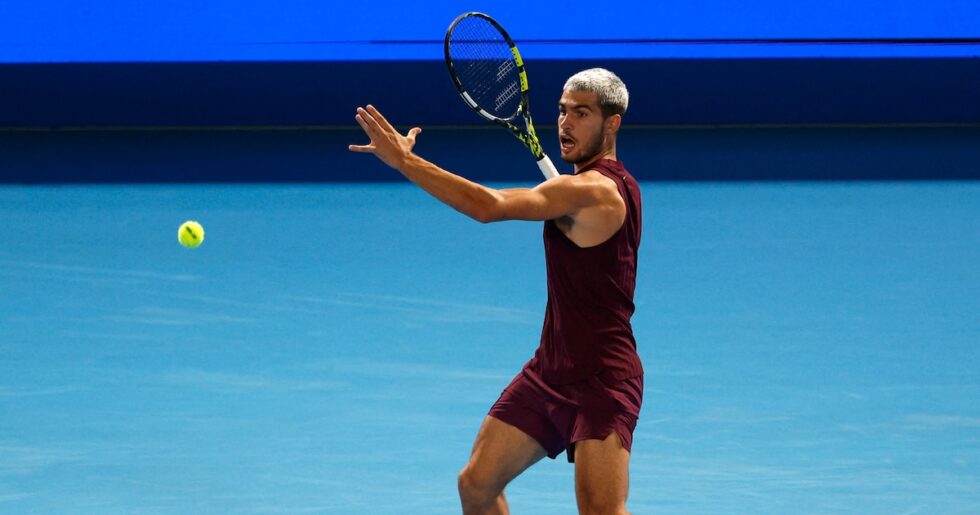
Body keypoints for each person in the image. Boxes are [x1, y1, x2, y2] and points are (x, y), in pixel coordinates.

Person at [350, 68, 642, 515]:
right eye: (562, 111)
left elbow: (490, 206)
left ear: (612, 122)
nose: (565, 124)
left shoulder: (596, 191)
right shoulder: (592, 187)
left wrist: (406, 162)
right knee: (477, 485)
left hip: (603, 380)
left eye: (582, 114)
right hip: (551, 369)